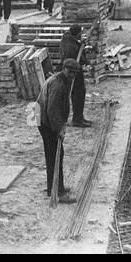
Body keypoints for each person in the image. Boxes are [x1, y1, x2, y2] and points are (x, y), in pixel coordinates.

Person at [36, 58, 79, 201]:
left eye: (74, 73)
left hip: (46, 118)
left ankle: (53, 188)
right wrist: (59, 128)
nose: (72, 75)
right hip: (44, 120)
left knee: (54, 154)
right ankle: (58, 193)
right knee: (55, 155)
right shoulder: (57, 84)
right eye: (70, 72)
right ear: (64, 68)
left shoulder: (65, 80)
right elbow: (52, 110)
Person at [60, 25, 91, 127]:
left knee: (79, 93)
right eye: (80, 34)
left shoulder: (69, 40)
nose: (81, 35)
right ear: (76, 34)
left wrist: (81, 45)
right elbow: (77, 58)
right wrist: (85, 59)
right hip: (73, 73)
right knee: (78, 94)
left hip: (74, 71)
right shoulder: (71, 45)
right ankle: (77, 119)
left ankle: (79, 117)